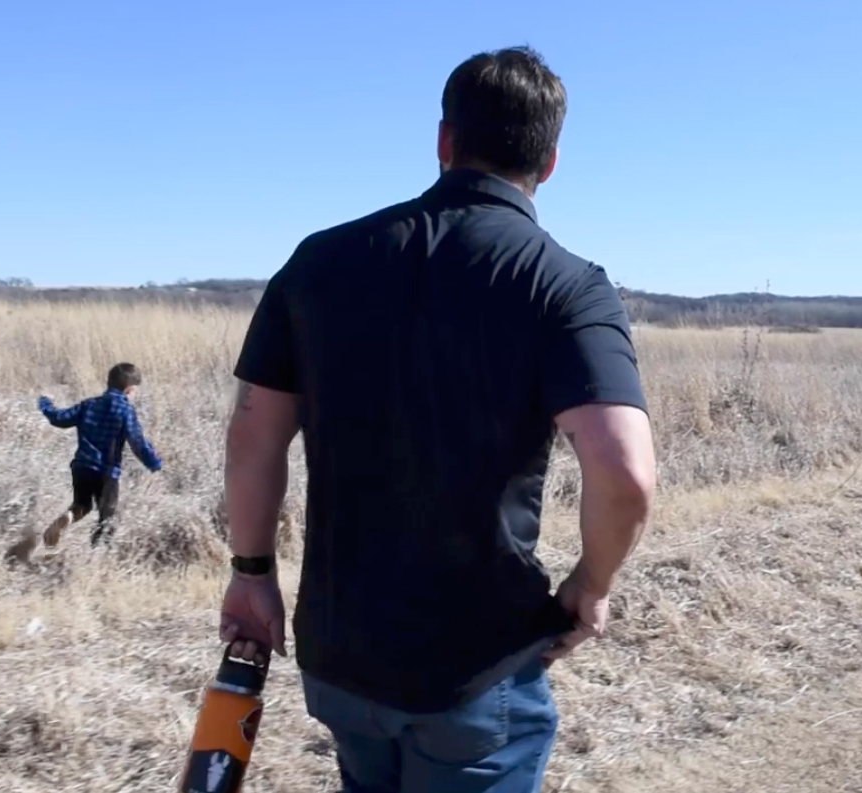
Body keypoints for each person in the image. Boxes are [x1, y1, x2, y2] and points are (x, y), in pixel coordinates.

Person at [218, 46, 657, 793]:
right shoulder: (566, 286)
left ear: (444, 141)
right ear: (549, 162)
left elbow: (254, 433)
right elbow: (623, 471)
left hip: (340, 652)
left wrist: (251, 572)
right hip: (475, 664)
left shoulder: (318, 263)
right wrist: (591, 580)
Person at [5, 362, 163, 563]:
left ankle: (66, 519)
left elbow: (59, 419)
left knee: (82, 505)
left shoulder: (89, 404)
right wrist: (154, 463)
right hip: (107, 473)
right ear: (129, 390)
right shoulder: (125, 411)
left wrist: (45, 403)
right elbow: (137, 441)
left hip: (82, 467)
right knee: (107, 517)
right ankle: (98, 560)